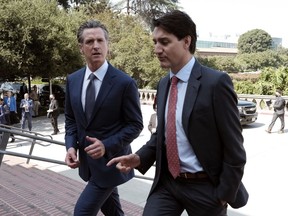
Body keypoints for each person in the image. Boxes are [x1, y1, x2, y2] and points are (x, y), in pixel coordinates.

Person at [107, 10, 248, 216]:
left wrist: (223, 194)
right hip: (168, 184)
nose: (157, 49)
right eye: (155, 42)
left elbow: (234, 147)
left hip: (206, 188)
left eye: (164, 42)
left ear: (186, 41)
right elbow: (163, 135)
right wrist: (139, 158)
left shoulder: (216, 83)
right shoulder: (164, 84)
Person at [64, 20, 143, 215]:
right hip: (88, 166)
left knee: (81, 212)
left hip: (111, 164)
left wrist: (106, 145)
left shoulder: (124, 83)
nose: (96, 46)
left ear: (107, 44)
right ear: (81, 47)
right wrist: (71, 146)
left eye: (100, 40)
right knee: (114, 212)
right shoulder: (72, 80)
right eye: (89, 41)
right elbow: (71, 119)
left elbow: (135, 125)